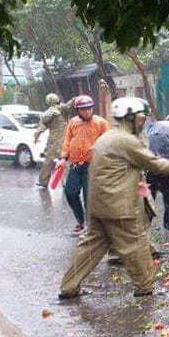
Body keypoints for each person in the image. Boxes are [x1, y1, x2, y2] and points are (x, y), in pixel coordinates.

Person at [58, 98, 169, 299]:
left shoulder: (107, 137)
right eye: (141, 118)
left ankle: (69, 287)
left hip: (98, 204)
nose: (144, 122)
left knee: (89, 247)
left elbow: (128, 166)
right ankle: (145, 287)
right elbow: (155, 164)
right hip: (119, 206)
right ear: (130, 117)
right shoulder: (125, 140)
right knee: (137, 245)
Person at [59, 95, 109, 236]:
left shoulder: (101, 123)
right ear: (78, 110)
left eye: (89, 108)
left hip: (92, 165)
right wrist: (63, 158)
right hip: (75, 165)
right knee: (70, 193)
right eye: (83, 109)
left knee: (89, 197)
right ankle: (80, 221)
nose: (87, 111)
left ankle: (91, 226)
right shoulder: (73, 122)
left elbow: (107, 143)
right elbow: (68, 141)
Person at [34, 93, 73, 188]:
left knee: (48, 161)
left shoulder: (46, 114)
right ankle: (66, 182)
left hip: (52, 140)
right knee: (64, 160)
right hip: (64, 139)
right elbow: (69, 105)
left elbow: (40, 129)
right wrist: (75, 98)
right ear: (57, 100)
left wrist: (36, 138)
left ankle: (43, 181)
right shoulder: (61, 109)